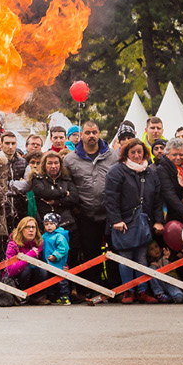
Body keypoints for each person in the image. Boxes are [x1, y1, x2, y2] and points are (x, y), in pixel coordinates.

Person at [104, 139, 165, 304]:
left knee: (142, 257)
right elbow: (110, 198)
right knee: (126, 256)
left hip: (144, 220)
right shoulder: (116, 171)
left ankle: (143, 291)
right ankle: (128, 292)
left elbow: (158, 200)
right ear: (126, 154)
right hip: (124, 222)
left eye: (140, 151)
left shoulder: (151, 172)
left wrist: (159, 221)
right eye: (133, 152)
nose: (137, 155)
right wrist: (116, 219)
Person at [63, 121, 118, 290]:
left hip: (110, 213)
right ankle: (94, 288)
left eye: (94, 132)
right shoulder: (70, 159)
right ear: (81, 135)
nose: (91, 135)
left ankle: (116, 287)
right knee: (90, 252)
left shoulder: (113, 155)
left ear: (99, 133)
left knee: (115, 251)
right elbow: (67, 185)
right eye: (88, 132)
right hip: (86, 214)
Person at [29, 151, 77, 231]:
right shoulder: (38, 179)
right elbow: (43, 193)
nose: (53, 166)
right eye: (50, 163)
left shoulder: (66, 179)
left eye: (56, 163)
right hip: (44, 223)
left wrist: (55, 201)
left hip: (66, 222)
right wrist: (64, 192)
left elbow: (74, 198)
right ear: (44, 165)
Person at [154, 138, 183, 227]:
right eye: (174, 154)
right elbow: (169, 194)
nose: (178, 158)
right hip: (172, 214)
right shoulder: (162, 169)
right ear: (167, 154)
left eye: (181, 154)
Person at [3, 217, 45, 299]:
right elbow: (11, 271)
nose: (31, 230)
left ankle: (36, 297)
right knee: (26, 269)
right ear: (21, 230)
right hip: (16, 277)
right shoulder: (13, 245)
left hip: (33, 276)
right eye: (27, 227)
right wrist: (29, 255)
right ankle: (20, 297)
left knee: (43, 270)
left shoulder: (39, 243)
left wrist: (64, 265)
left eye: (33, 227)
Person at [40, 212, 70, 304]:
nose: (49, 226)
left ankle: (65, 296)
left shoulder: (59, 235)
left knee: (61, 281)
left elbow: (63, 248)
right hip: (47, 263)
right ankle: (54, 297)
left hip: (58, 263)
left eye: (51, 224)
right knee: (51, 281)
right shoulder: (44, 236)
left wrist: (55, 256)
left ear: (56, 224)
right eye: (46, 224)